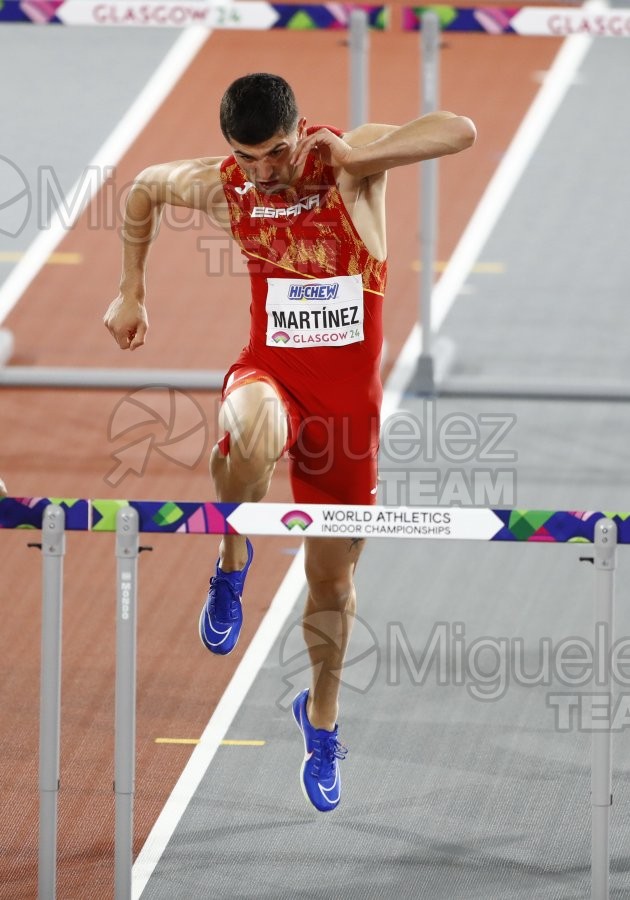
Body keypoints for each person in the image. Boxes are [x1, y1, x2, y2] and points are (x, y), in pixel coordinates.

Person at [104, 73, 476, 812]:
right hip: (270, 373)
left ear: (298, 129)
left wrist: (352, 155)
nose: (263, 172)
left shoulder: (350, 161)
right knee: (253, 427)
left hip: (347, 417)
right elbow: (143, 188)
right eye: (248, 158)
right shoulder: (226, 187)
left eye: (274, 154)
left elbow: (458, 129)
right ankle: (232, 557)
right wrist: (130, 289)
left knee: (332, 587)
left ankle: (322, 718)